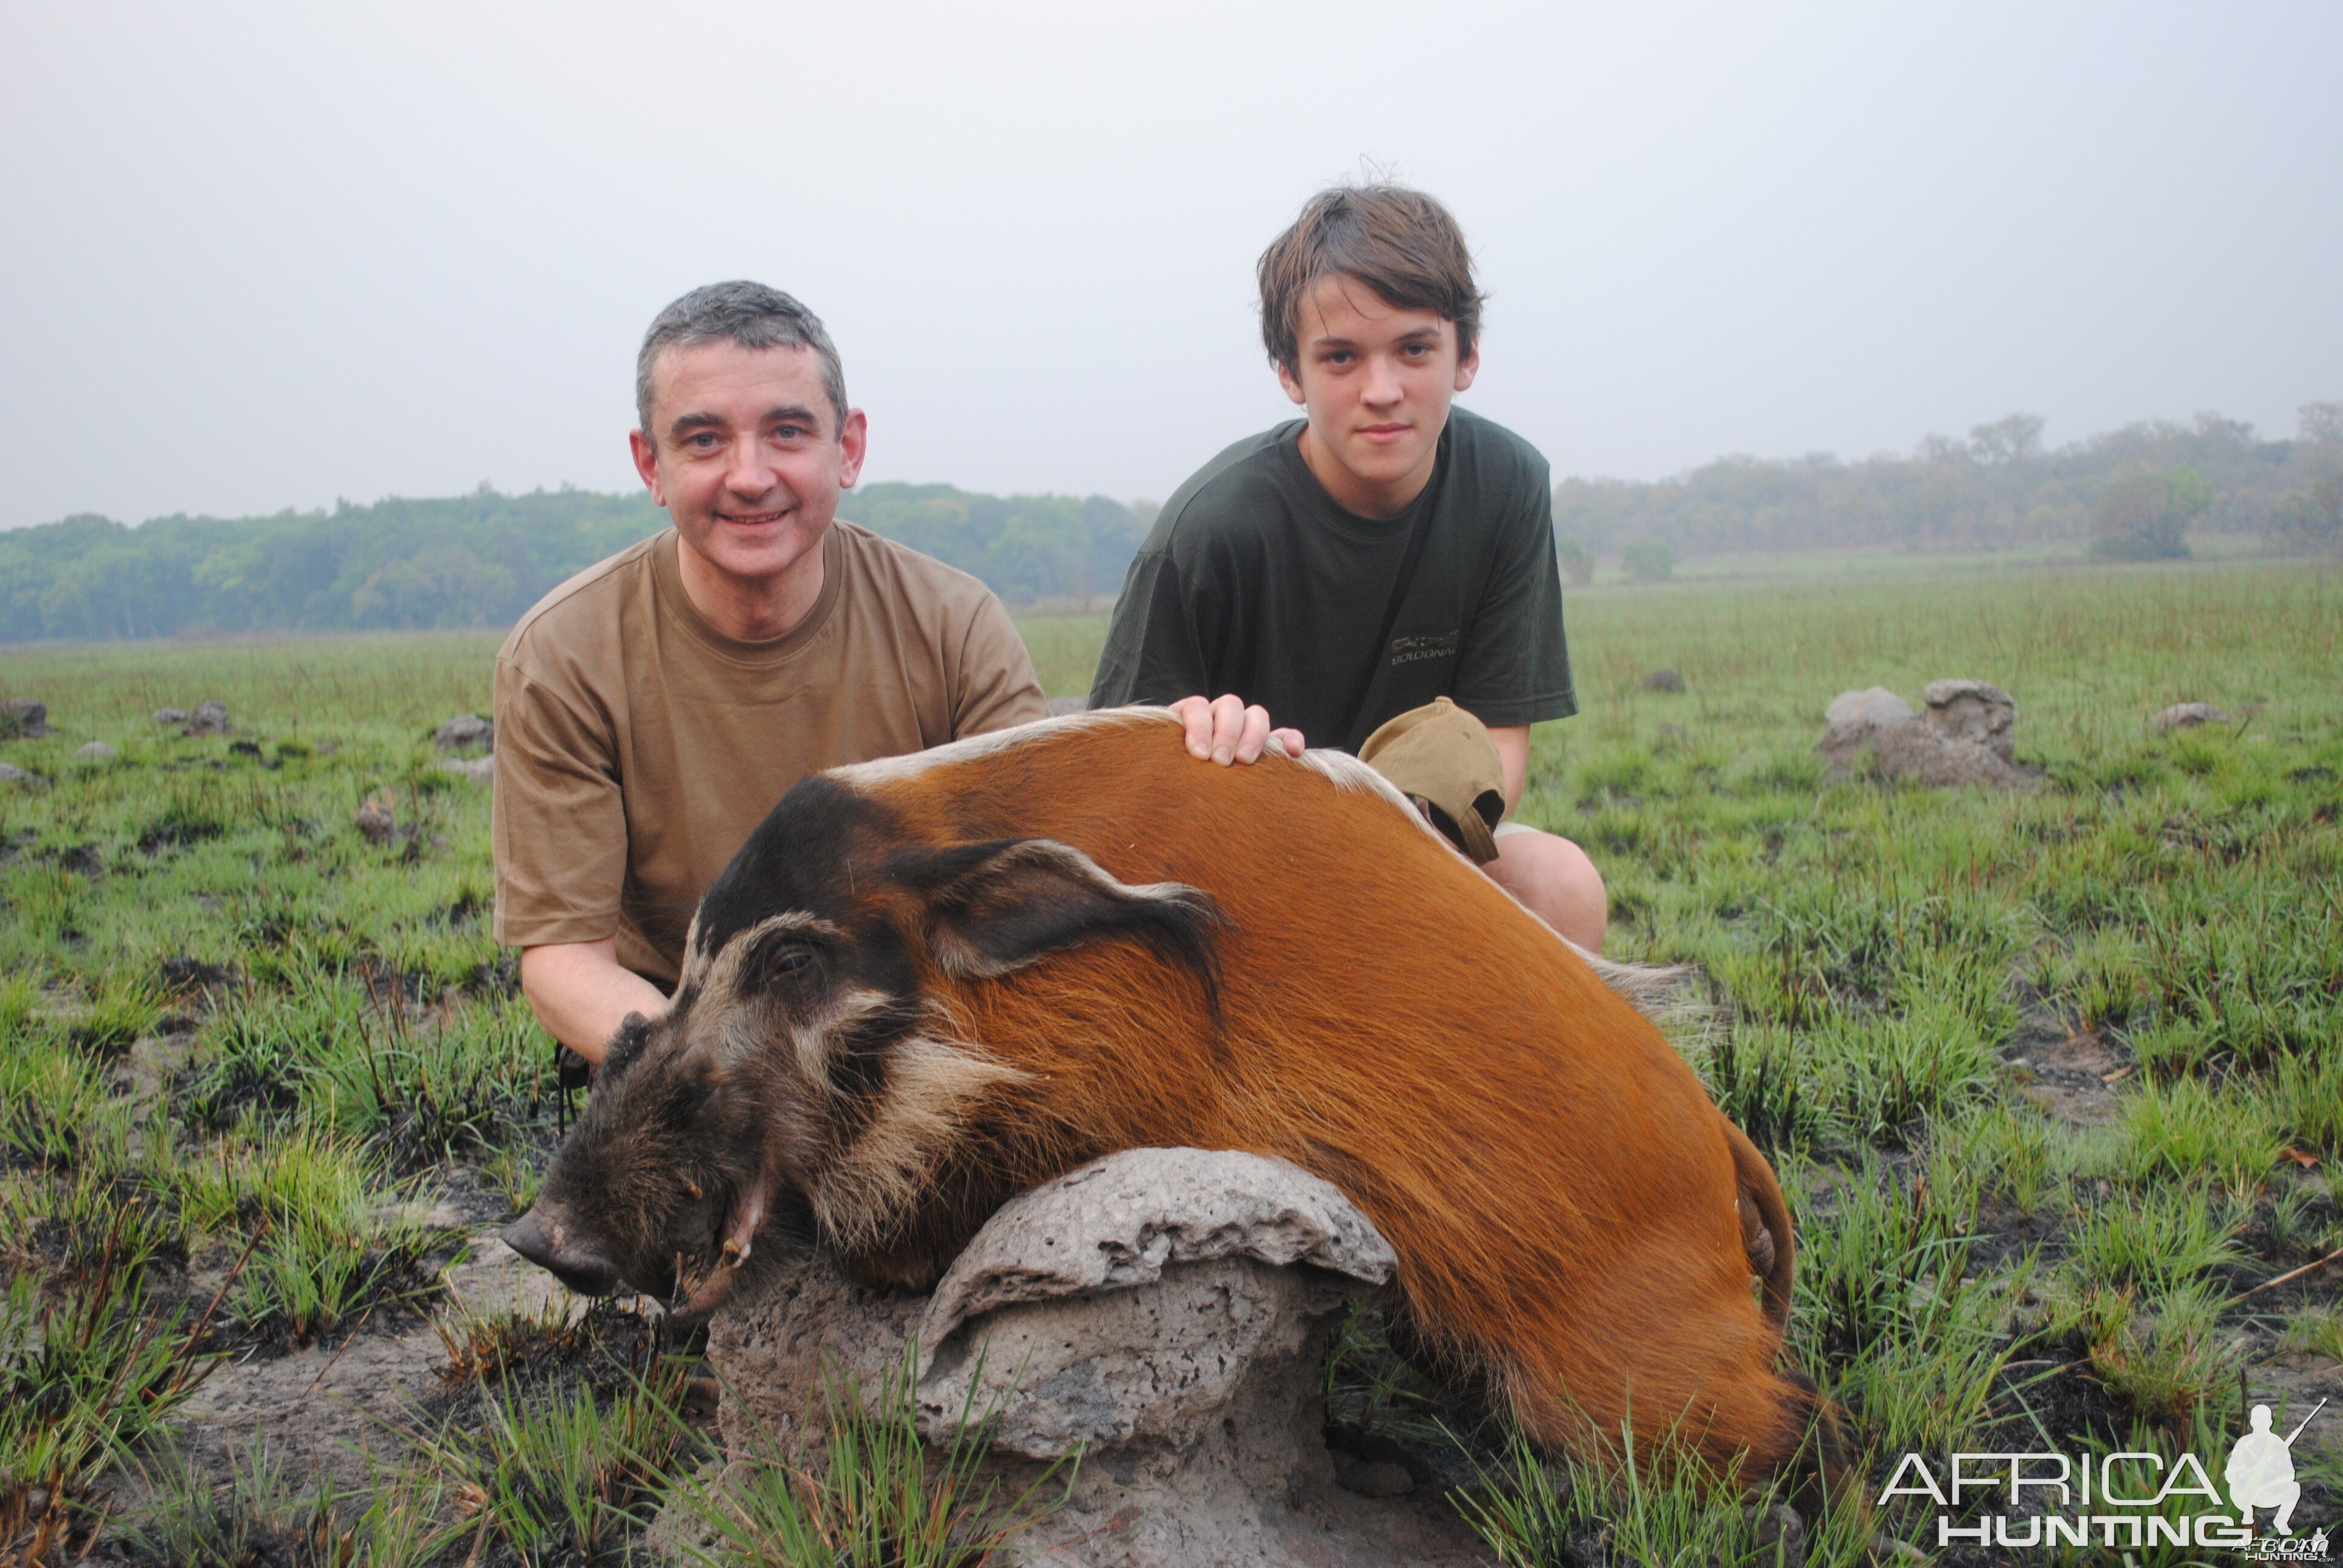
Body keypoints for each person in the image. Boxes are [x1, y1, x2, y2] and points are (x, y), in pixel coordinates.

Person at [1088, 183, 1608, 950]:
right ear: (1289, 375)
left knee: (1560, 885)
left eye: (1413, 349)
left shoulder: (1506, 485)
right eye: (1340, 357)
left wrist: (1399, 845)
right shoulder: (1211, 531)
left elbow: (1499, 743)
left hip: (1418, 846)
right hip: (1237, 876)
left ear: (1465, 355)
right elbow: (1114, 788)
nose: (1382, 391)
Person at [2226, 1403, 2304, 1535]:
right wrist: (2246, 1474)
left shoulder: (2278, 1443)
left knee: (2295, 1488)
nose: (2261, 1423)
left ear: (2270, 1422)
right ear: (2252, 1422)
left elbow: (2290, 1474)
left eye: (2264, 1419)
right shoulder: (2244, 1443)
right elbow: (2230, 1472)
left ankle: (2281, 1521)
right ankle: (2246, 1518)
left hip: (2269, 1492)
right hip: (2245, 1493)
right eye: (2257, 1419)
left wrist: (2272, 1472)